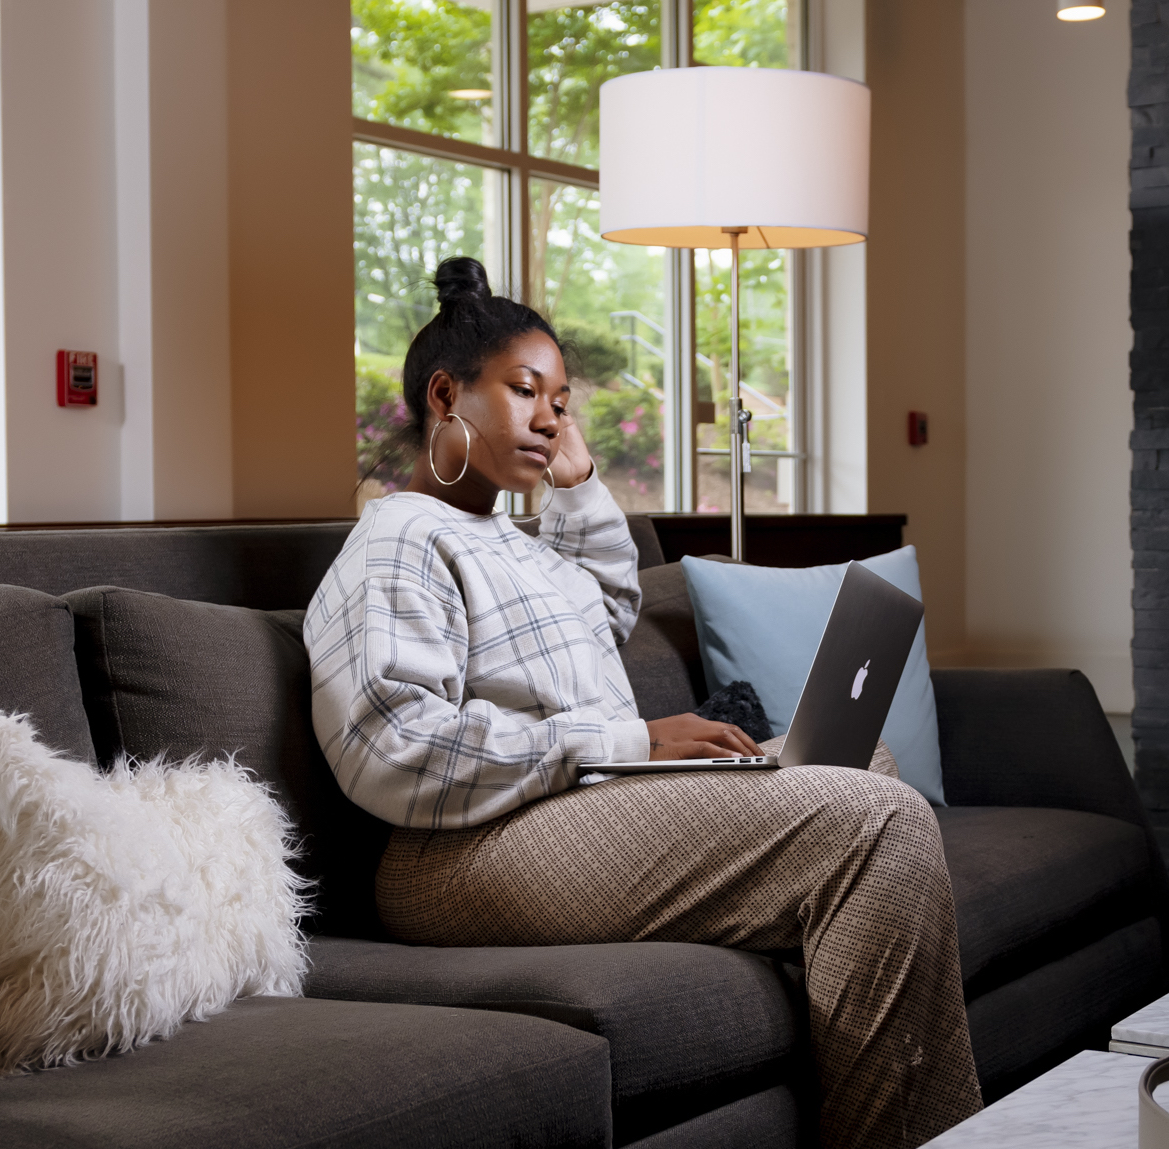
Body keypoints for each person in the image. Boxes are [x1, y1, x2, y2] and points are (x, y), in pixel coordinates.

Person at [306, 256, 981, 1148]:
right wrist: (632, 738)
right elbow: (395, 745)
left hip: (576, 807)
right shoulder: (399, 536)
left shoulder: (512, 536)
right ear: (445, 397)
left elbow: (607, 608)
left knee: (860, 767)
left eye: (563, 398)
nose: (552, 415)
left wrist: (580, 485)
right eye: (526, 391)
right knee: (875, 821)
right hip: (461, 851)